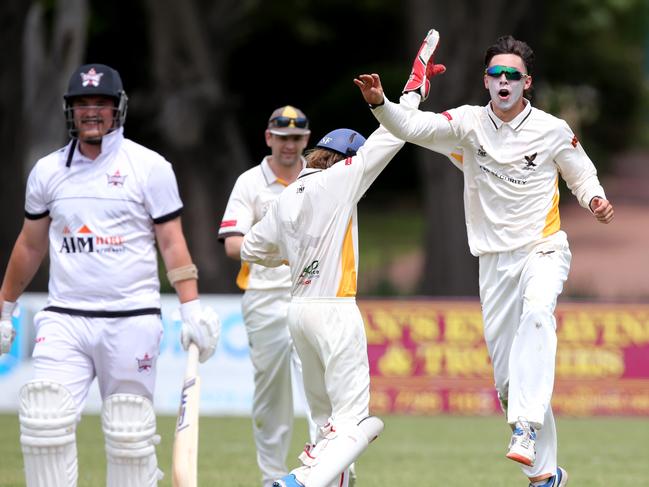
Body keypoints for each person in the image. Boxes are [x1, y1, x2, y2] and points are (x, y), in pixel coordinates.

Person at [357, 30, 615, 487]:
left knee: (538, 315)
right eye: (496, 73)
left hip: (543, 248)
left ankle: (526, 428)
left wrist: (595, 200)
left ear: (526, 83)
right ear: (485, 80)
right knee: (510, 384)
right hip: (493, 263)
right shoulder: (469, 124)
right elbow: (411, 128)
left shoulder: (552, 129)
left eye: (512, 75)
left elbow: (583, 173)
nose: (503, 80)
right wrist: (381, 103)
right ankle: (545, 477)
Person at [0, 63, 220, 487]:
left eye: (100, 102)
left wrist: (191, 309)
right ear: (70, 110)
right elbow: (30, 245)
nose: (91, 111)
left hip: (131, 319)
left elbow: (172, 242)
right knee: (43, 419)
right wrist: (4, 309)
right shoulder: (48, 171)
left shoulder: (149, 167)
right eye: (82, 103)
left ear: (118, 108)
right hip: (65, 317)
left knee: (129, 433)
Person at [239, 72, 431, 485]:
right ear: (345, 159)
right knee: (353, 422)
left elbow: (251, 249)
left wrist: (292, 256)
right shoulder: (342, 179)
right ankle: (300, 482)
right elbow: (392, 137)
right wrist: (412, 93)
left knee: (325, 420)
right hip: (335, 311)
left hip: (298, 312)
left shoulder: (286, 196)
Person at [218, 105, 319, 487]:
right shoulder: (250, 183)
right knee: (271, 396)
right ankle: (271, 478)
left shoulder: (317, 178)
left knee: (320, 389)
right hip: (264, 298)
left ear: (306, 140)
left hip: (312, 293)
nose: (289, 146)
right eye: (282, 138)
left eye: (296, 138)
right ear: (268, 138)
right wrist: (280, 252)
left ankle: (324, 472)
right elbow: (231, 244)